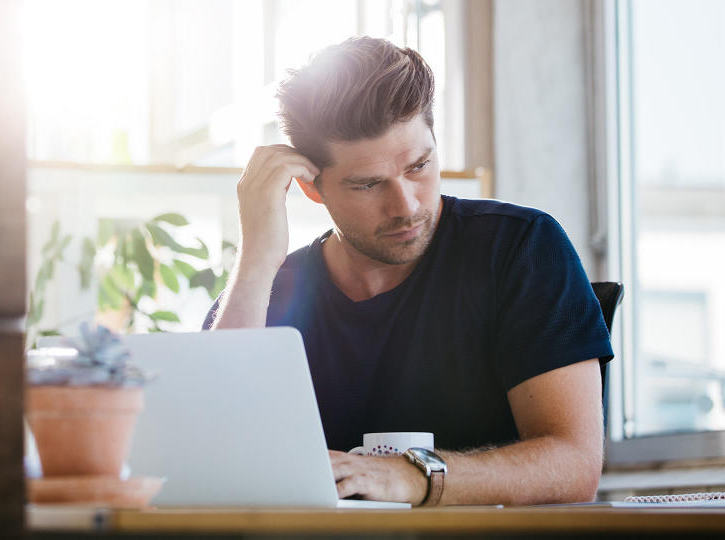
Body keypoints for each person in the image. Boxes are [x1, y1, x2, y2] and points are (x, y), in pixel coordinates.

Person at [203, 36, 613, 506]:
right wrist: (256, 257)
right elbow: (215, 454)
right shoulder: (271, 291)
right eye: (368, 184)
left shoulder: (519, 247)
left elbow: (575, 464)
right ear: (312, 189)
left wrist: (413, 476)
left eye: (419, 166)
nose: (407, 205)